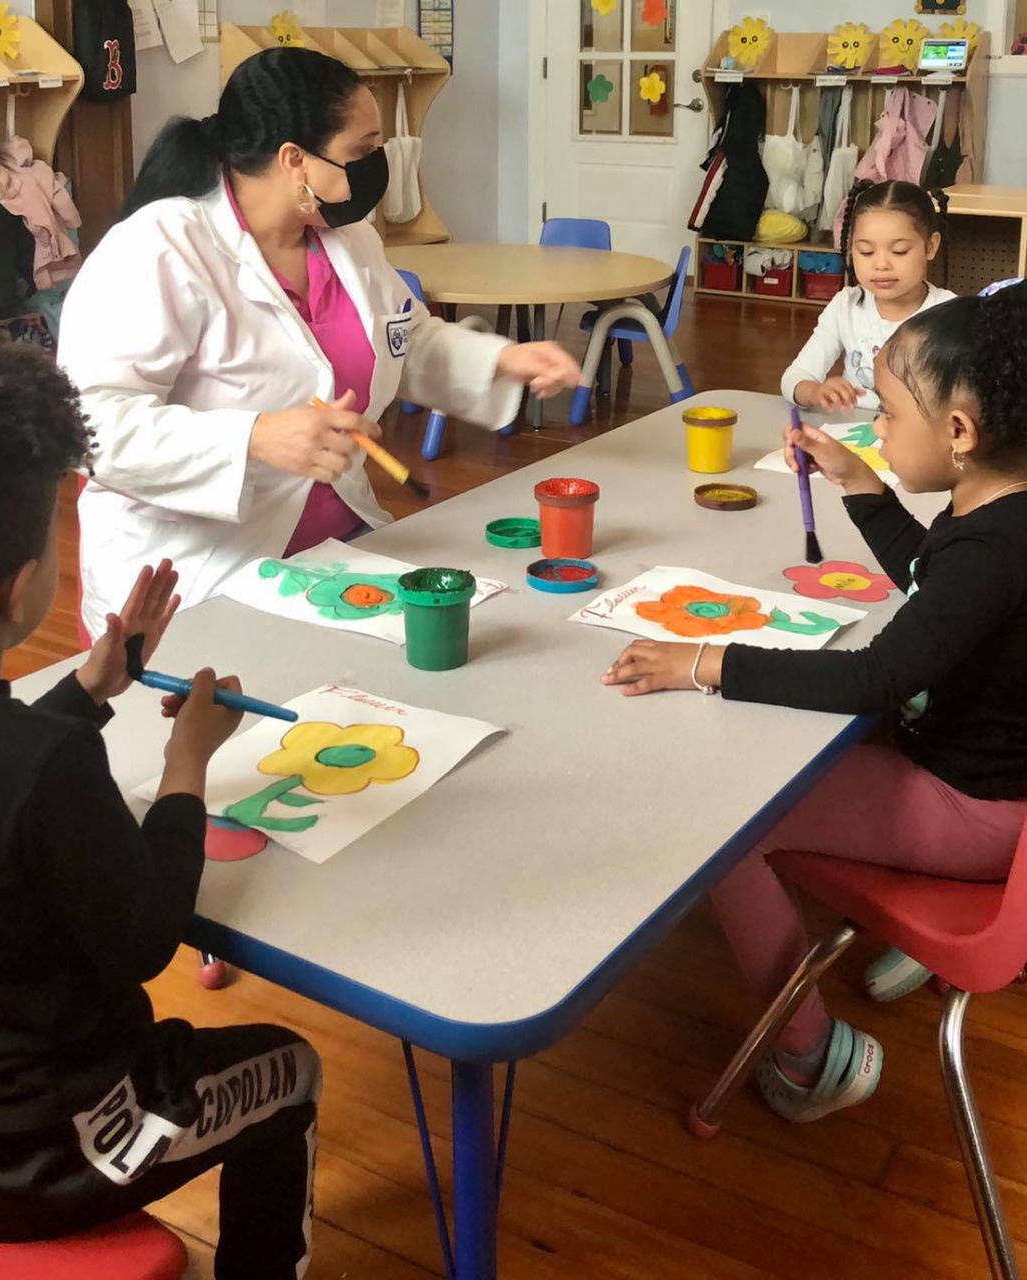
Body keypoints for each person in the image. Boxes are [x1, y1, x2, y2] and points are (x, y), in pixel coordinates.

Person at [0, 330, 320, 1280]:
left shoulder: (21, 750)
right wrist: (188, 763)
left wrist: (91, 690)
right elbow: (147, 935)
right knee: (294, 1068)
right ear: (26, 589)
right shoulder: (37, 765)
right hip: (55, 1151)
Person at [602, 285, 1027, 1120]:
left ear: (961, 434)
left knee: (726, 824)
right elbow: (933, 582)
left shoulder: (993, 550)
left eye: (891, 416)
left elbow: (872, 679)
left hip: (977, 815)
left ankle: (807, 1058)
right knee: (773, 754)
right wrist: (863, 488)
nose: (878, 426)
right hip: (983, 785)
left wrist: (710, 658)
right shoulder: (1000, 515)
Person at [59, 47, 581, 641]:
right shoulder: (160, 248)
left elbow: (403, 339)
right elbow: (85, 424)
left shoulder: (345, 238)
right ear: (294, 160)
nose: (376, 165)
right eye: (362, 150)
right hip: (196, 572)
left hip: (334, 555)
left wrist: (503, 359)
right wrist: (254, 438)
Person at [782, 180, 957, 414]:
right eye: (866, 252)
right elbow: (794, 378)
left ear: (930, 246)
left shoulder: (949, 313)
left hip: (914, 443)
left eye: (899, 251)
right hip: (852, 434)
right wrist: (815, 391)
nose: (881, 265)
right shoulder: (846, 306)